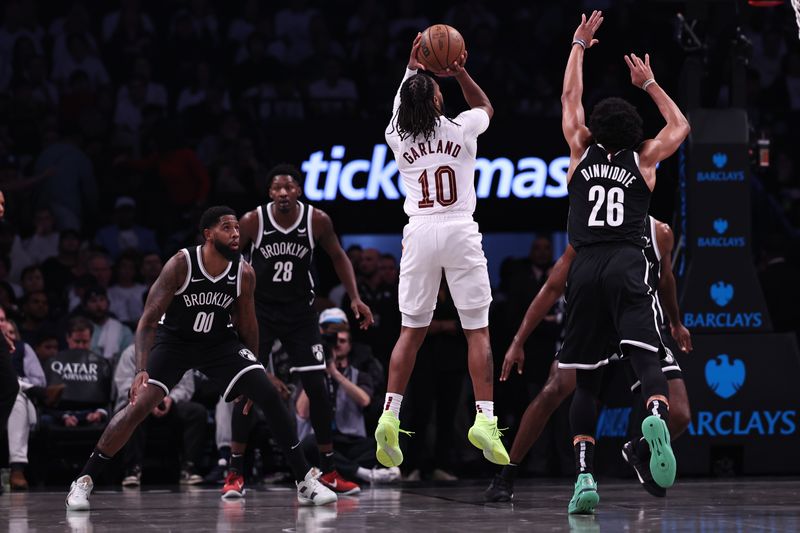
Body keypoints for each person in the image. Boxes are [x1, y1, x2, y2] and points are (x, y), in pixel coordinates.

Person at [65, 206, 336, 511]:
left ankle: (304, 480)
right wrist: (141, 368)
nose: (235, 234)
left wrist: (255, 369)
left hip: (219, 343)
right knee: (138, 406)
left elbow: (248, 325)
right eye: (226, 228)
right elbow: (149, 320)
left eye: (237, 228)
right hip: (175, 342)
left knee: (268, 394)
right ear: (208, 234)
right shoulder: (182, 263)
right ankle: (84, 480)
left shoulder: (244, 272)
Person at [553, 11, 690, 514]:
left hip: (585, 267)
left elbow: (570, 99)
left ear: (596, 130)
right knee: (646, 358)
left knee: (586, 380)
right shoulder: (645, 159)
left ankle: (585, 477)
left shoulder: (579, 151)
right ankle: (655, 411)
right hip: (629, 263)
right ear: (632, 131)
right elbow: (681, 125)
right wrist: (650, 82)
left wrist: (579, 44)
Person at [486, 216, 693, 502]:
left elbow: (666, 279)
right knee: (554, 389)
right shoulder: (592, 229)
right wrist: (518, 340)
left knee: (680, 413)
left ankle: (640, 450)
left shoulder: (660, 233)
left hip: (638, 318)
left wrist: (675, 322)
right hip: (595, 320)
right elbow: (552, 286)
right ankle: (506, 473)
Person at [375, 33, 508, 469]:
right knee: (478, 330)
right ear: (437, 102)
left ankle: (389, 414)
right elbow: (486, 107)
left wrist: (413, 68)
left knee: (410, 332)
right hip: (458, 229)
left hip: (419, 231)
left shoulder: (396, 136)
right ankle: (485, 420)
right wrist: (459, 72)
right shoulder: (461, 126)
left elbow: (401, 105)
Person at [226, 164, 374, 498]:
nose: (282, 193)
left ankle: (329, 470)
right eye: (276, 188)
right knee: (247, 388)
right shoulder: (252, 220)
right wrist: (231, 303)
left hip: (300, 313)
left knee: (318, 388)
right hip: (260, 311)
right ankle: (234, 471)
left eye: (288, 188)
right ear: (269, 193)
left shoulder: (317, 220)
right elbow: (229, 260)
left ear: (298, 191)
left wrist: (355, 298)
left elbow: (338, 257)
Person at [297, 309, 400, 485]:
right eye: (332, 341)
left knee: (385, 448)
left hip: (350, 441)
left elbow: (364, 400)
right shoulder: (310, 373)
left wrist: (335, 373)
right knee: (308, 445)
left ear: (350, 345)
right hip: (321, 439)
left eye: (342, 341)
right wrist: (319, 370)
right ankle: (362, 473)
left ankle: (334, 471)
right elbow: (302, 412)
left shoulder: (359, 374)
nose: (337, 345)